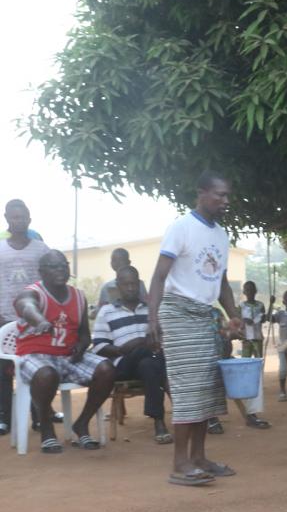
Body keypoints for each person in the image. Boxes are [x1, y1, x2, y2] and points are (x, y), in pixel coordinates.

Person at [147, 171, 243, 487]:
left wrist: (233, 314)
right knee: (188, 389)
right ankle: (179, 463)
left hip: (205, 316)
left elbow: (222, 281)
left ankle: (199, 458)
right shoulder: (181, 228)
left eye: (227, 195)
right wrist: (153, 319)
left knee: (206, 388)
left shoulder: (222, 235)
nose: (225, 201)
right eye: (220, 195)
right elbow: (159, 277)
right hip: (177, 314)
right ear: (201, 193)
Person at [13, 250, 115, 452]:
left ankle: (82, 423)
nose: (60, 269)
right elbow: (26, 306)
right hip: (34, 354)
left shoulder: (78, 296)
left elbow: (84, 333)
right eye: (54, 266)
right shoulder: (32, 292)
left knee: (107, 369)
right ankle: (46, 427)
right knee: (46, 374)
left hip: (68, 356)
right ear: (41, 271)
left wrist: (81, 346)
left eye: (63, 265)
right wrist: (40, 320)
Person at [92, 265, 171, 444]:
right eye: (126, 284)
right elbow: (98, 346)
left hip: (148, 363)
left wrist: (146, 345)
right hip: (123, 364)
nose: (130, 288)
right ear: (117, 286)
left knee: (149, 364)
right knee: (147, 353)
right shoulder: (107, 311)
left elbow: (162, 338)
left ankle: (159, 422)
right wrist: (124, 348)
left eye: (134, 284)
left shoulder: (150, 310)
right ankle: (171, 415)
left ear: (139, 284)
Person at [0, 199, 51, 435]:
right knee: (3, 370)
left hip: (35, 320)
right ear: (7, 219)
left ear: (30, 219)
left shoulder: (41, 249)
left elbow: (51, 280)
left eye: (23, 217)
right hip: (3, 318)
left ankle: (41, 415)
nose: (18, 221)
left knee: (37, 368)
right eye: (14, 217)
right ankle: (4, 419)